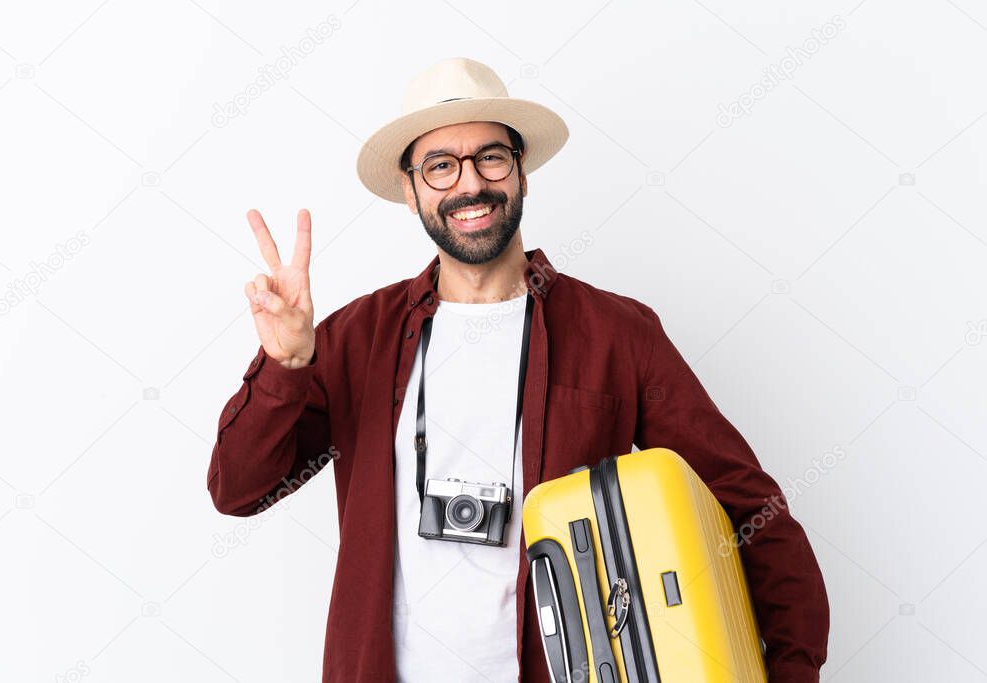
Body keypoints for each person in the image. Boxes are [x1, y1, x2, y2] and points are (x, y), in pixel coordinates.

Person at [207, 56, 829, 682]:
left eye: (491, 158)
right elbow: (238, 490)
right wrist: (284, 365)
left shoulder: (616, 333)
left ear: (522, 173)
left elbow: (750, 509)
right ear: (411, 188)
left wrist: (791, 669)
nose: (469, 184)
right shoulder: (354, 338)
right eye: (440, 165)